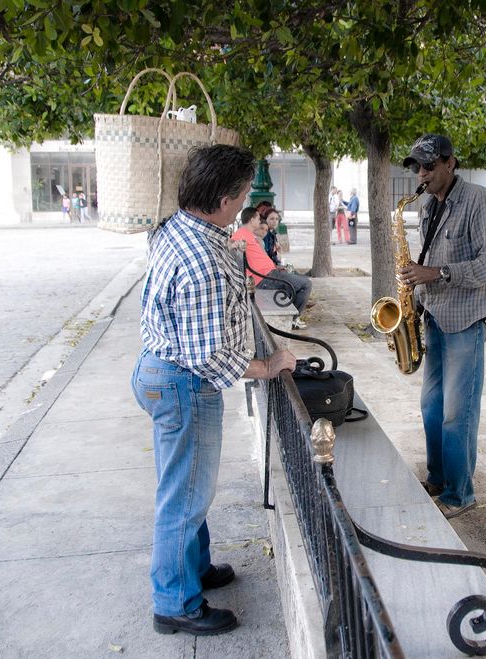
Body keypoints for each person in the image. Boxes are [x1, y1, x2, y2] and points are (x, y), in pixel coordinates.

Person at [131, 144, 297, 635]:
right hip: (184, 384)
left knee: (186, 484)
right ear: (225, 199)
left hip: (160, 372)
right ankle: (175, 603)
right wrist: (269, 365)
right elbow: (208, 355)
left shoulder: (177, 227)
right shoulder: (203, 257)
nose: (246, 202)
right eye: (244, 195)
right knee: (183, 497)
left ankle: (194, 568)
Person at [398, 133, 486, 519]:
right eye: (418, 167)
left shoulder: (478, 201)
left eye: (428, 165)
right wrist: (414, 298)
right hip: (435, 317)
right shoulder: (427, 206)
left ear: (450, 163)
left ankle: (461, 494)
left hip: (466, 320)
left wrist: (436, 273)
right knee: (431, 406)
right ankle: (438, 478)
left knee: (459, 412)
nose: (422, 174)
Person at [231, 207, 314, 329]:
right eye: (258, 218)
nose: (260, 221)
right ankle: (292, 320)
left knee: (296, 279)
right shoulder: (241, 233)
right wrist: (233, 244)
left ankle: (290, 318)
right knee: (306, 284)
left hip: (270, 274)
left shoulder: (249, 234)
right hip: (264, 278)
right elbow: (230, 241)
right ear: (252, 219)